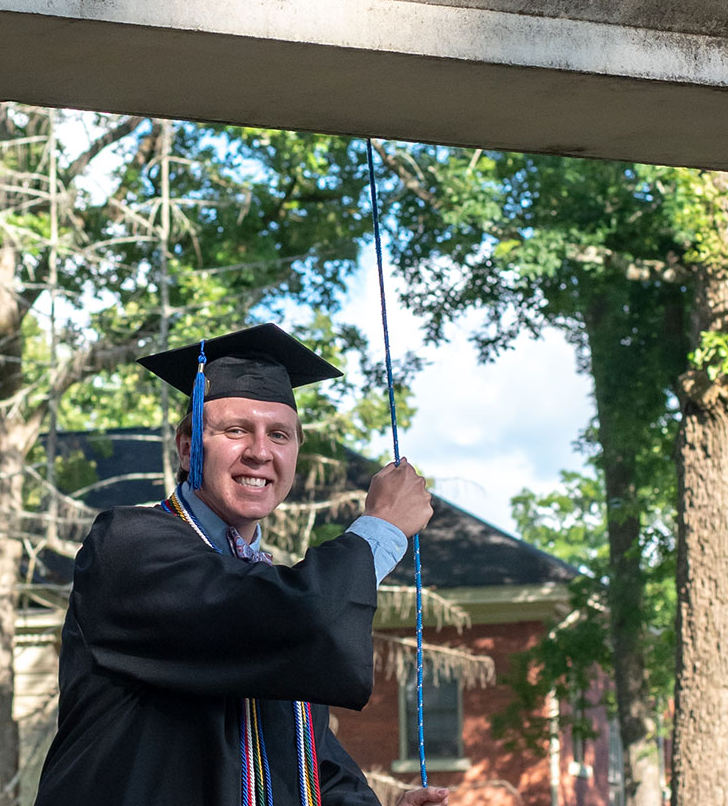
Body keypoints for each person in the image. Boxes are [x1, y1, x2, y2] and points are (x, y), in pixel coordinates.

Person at [34, 323, 450, 806]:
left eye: (279, 434)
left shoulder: (270, 610)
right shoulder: (128, 547)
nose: (259, 452)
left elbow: (310, 773)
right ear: (189, 446)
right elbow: (290, 614)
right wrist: (382, 530)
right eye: (235, 430)